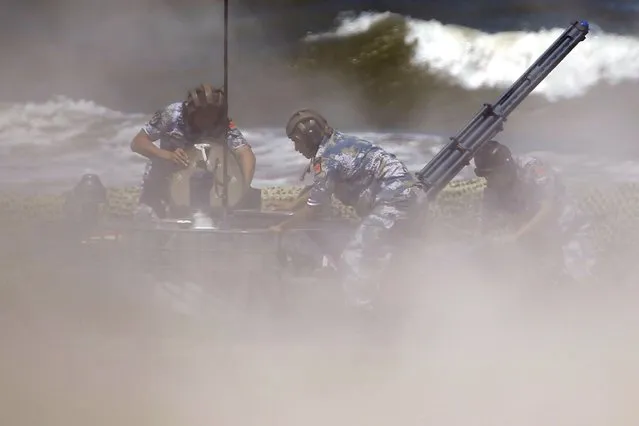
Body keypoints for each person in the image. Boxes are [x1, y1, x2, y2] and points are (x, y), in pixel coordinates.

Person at [269, 109, 422, 309]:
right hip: (407, 198)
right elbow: (322, 188)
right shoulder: (337, 143)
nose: (296, 148)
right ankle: (389, 307)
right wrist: (290, 205)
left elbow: (313, 209)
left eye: (297, 141)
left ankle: (363, 317)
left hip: (395, 203)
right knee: (377, 257)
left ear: (310, 138)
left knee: (354, 257)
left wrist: (281, 227)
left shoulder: (328, 160)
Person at [473, 140, 596, 283]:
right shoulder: (493, 188)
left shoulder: (532, 167)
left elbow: (547, 208)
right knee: (535, 279)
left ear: (506, 167)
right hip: (532, 233)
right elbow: (485, 220)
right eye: (487, 176)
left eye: (493, 174)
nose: (490, 180)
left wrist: (515, 236)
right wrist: (483, 243)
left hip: (565, 227)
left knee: (578, 273)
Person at [130, 83, 256, 219]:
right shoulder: (171, 114)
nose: (208, 120)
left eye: (212, 115)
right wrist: (168, 155)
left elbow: (245, 153)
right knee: (146, 222)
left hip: (198, 189)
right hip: (160, 184)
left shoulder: (222, 124)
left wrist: (242, 187)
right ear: (192, 112)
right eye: (203, 115)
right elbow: (138, 142)